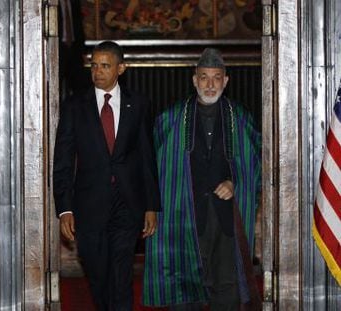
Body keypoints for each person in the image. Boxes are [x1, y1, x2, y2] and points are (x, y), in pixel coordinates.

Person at [142, 48, 262, 311]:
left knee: (227, 286)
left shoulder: (240, 118)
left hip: (226, 219)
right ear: (194, 80)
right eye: (204, 77)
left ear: (226, 81)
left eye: (216, 78)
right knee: (185, 288)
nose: (210, 84)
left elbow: (258, 163)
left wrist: (234, 182)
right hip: (183, 216)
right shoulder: (170, 119)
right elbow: (149, 167)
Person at [53, 40, 161, 311]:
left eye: (105, 65)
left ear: (121, 68)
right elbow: (63, 160)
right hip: (89, 206)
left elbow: (147, 158)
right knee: (98, 274)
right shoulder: (74, 106)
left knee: (122, 275)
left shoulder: (139, 104)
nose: (97, 71)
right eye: (94, 66)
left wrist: (151, 205)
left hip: (128, 204)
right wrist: (64, 209)